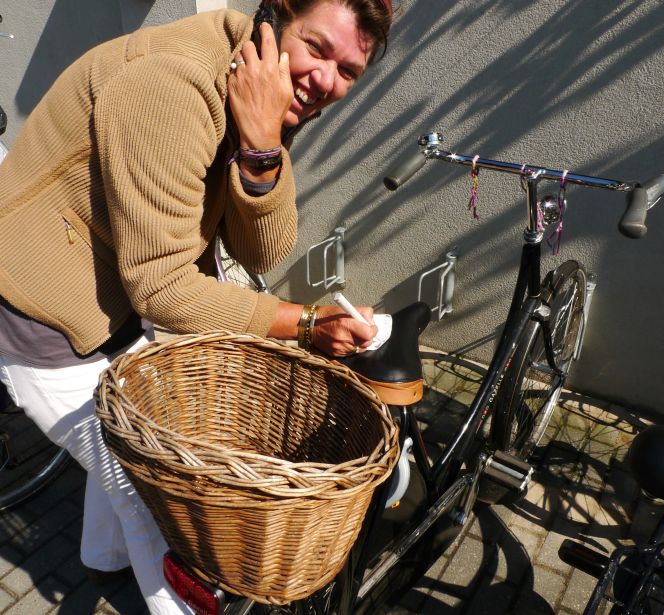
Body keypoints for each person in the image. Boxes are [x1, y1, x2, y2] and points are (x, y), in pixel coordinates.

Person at [0, 0, 394, 612]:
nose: (325, 80)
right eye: (317, 48)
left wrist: (263, 147)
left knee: (126, 442)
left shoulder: (260, 90)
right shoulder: (173, 84)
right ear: (273, 20)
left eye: (347, 71)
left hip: (112, 297)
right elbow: (164, 289)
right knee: (162, 505)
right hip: (41, 308)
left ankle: (102, 565)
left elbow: (263, 248)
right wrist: (306, 324)